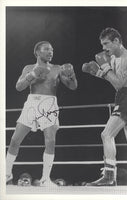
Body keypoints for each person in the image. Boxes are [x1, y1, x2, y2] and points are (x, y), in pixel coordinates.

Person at [82, 27, 127, 186]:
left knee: (106, 135)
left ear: (116, 41)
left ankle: (109, 176)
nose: (104, 48)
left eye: (106, 43)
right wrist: (97, 72)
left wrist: (104, 67)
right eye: (102, 45)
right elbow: (115, 83)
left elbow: (119, 83)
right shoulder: (114, 58)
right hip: (126, 97)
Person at [6, 41, 78, 186]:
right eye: (47, 49)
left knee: (50, 140)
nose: (51, 52)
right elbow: (19, 87)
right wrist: (33, 74)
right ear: (37, 52)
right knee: (15, 140)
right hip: (32, 102)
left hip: (50, 103)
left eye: (52, 50)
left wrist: (72, 75)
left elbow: (73, 86)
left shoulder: (57, 68)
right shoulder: (29, 68)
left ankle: (45, 178)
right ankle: (6, 174)